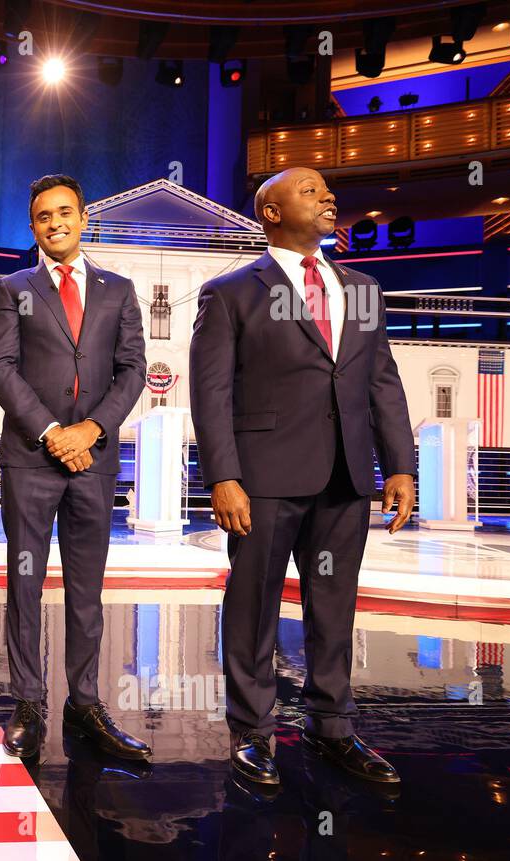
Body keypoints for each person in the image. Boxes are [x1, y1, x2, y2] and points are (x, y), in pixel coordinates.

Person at [189, 166, 416, 788]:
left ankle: (333, 727)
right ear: (271, 211)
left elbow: (382, 381)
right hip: (262, 477)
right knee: (254, 604)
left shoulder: (363, 287)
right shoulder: (232, 291)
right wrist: (223, 477)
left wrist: (399, 463)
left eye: (326, 190)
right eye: (310, 191)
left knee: (334, 605)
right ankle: (253, 731)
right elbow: (210, 394)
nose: (328, 197)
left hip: (346, 474)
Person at [0, 173, 149, 761]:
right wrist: (54, 433)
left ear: (83, 220)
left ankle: (84, 704)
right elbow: (0, 369)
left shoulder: (119, 290)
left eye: (64, 213)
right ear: (33, 227)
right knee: (24, 584)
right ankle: (27, 701)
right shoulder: (13, 287)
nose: (55, 223)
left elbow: (132, 370)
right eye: (43, 217)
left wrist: (92, 429)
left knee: (87, 591)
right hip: (31, 458)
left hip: (95, 460)